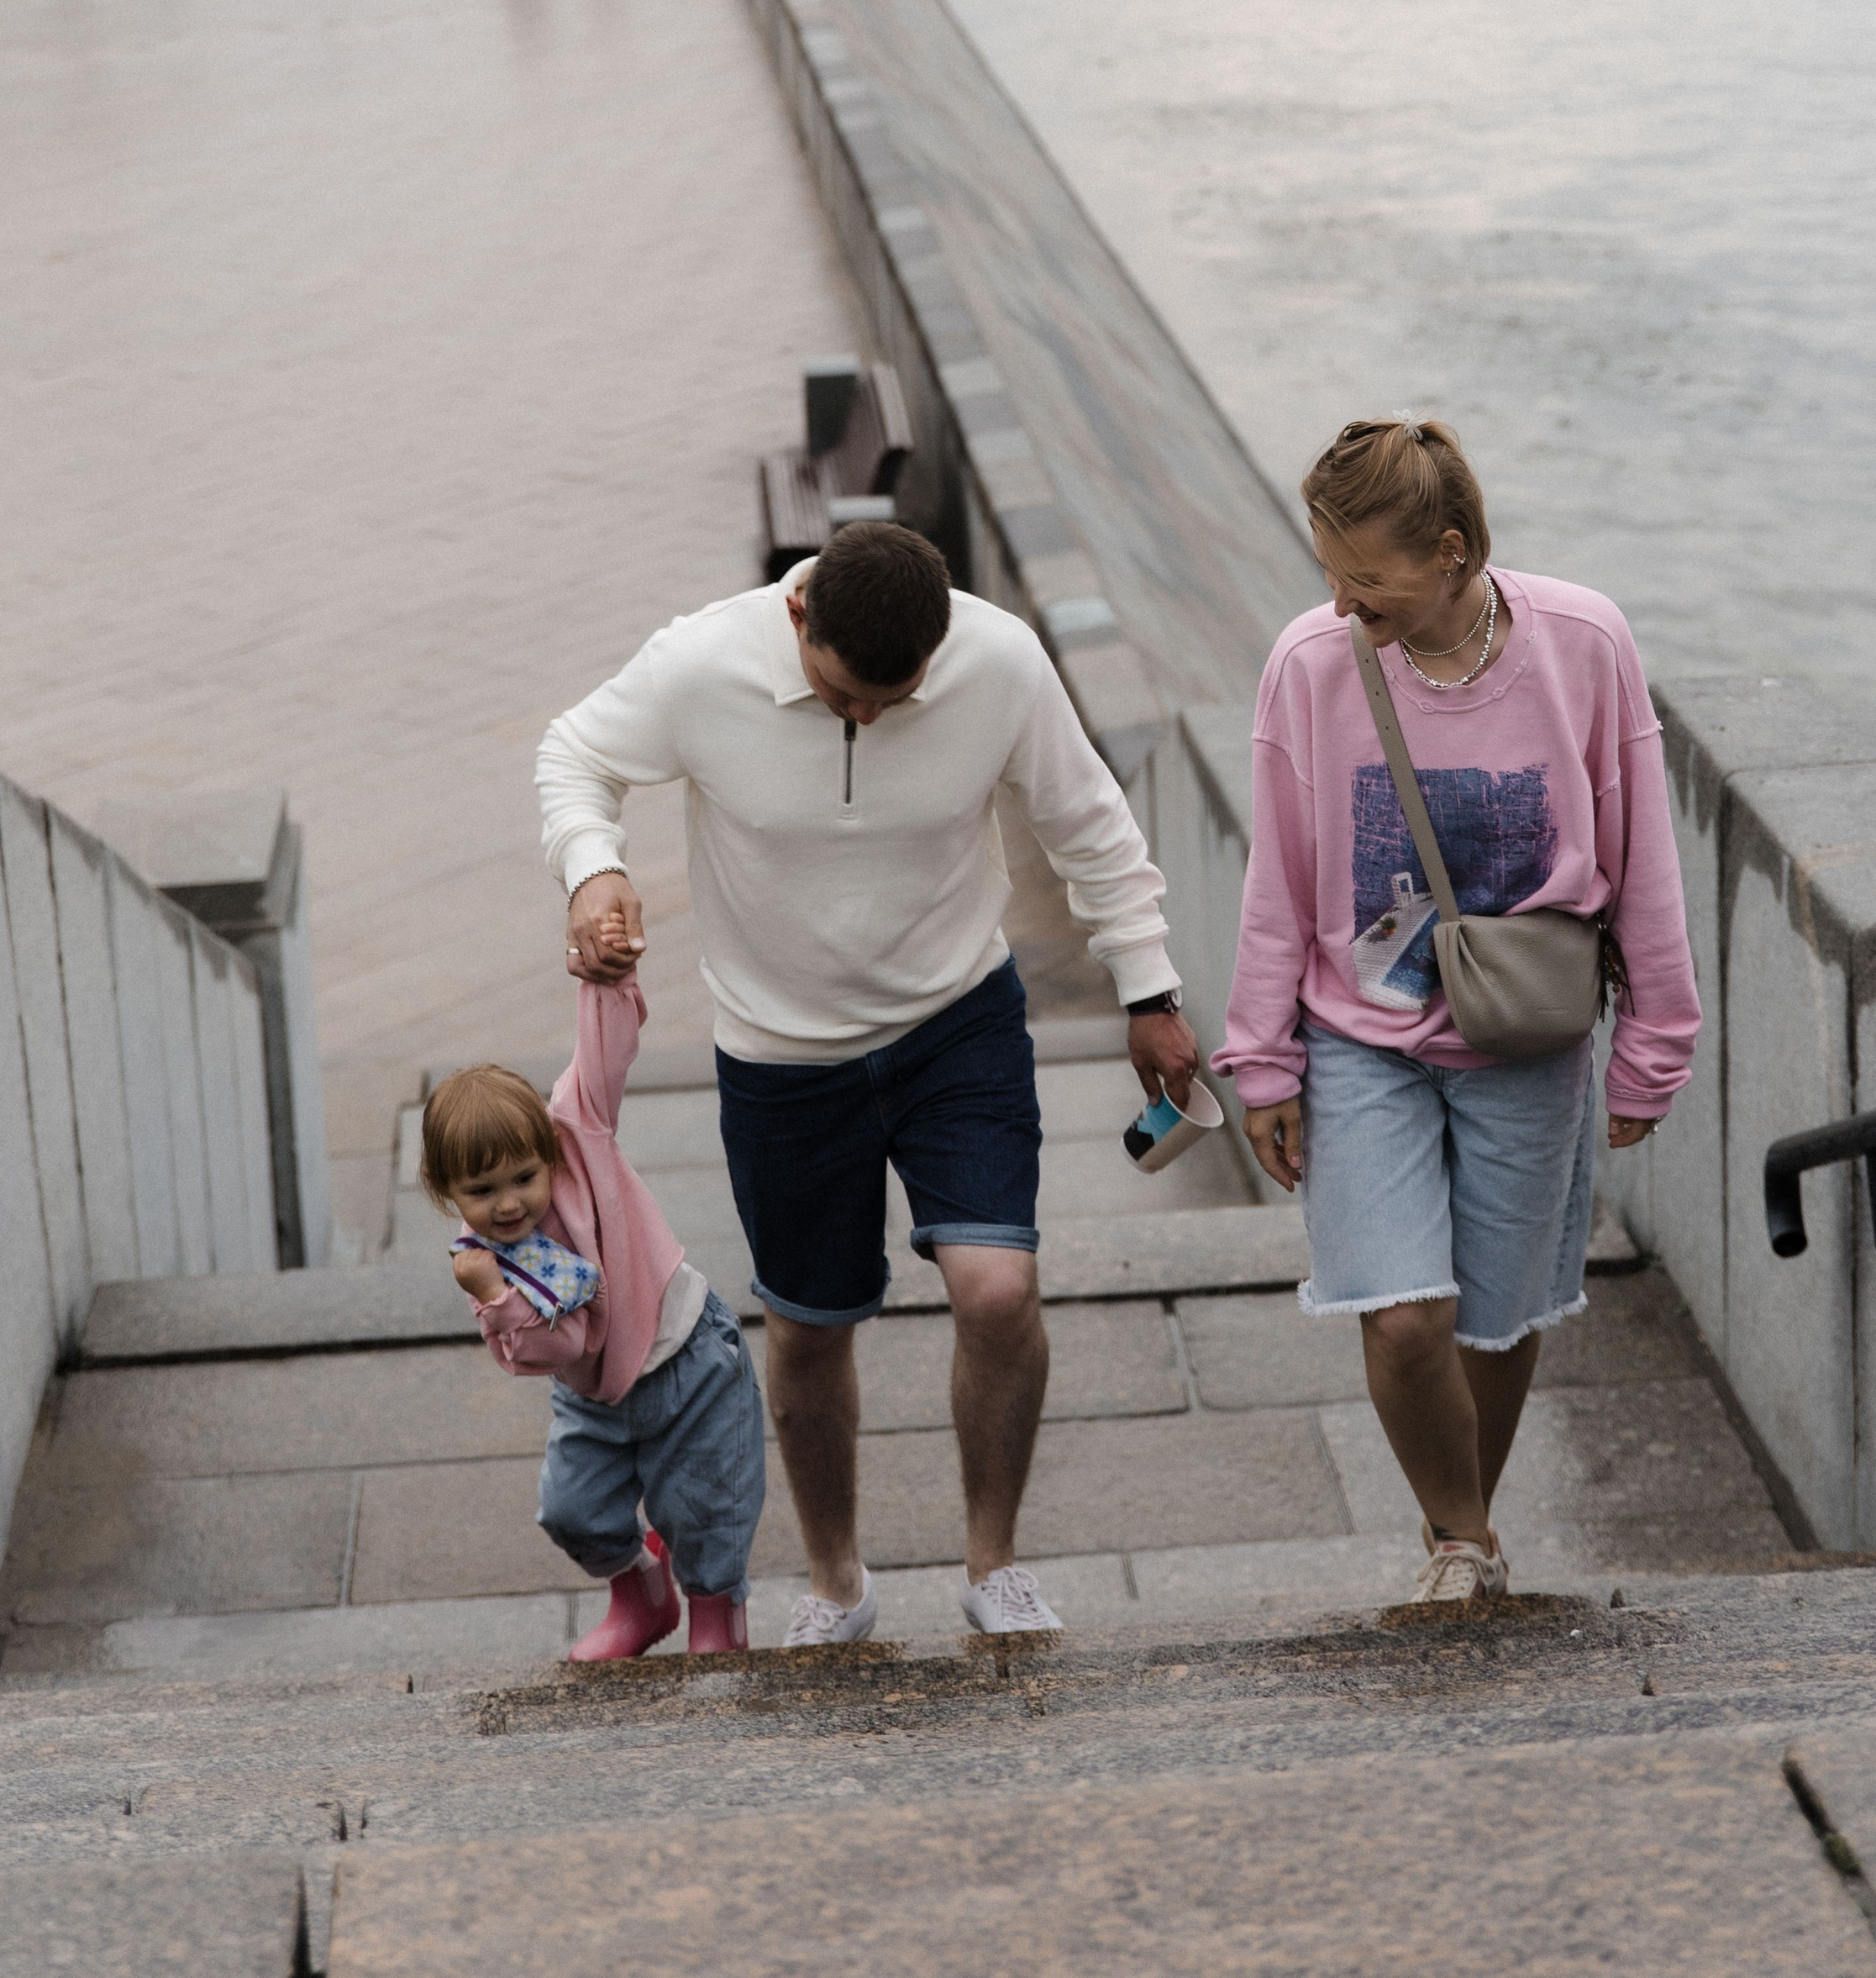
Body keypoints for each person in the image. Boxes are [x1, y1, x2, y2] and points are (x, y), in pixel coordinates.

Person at [535, 519, 1200, 1648]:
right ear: (799, 613)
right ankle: (838, 1580)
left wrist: (1150, 990)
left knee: (998, 1290)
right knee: (807, 1331)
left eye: (896, 699)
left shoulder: (998, 660)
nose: (870, 720)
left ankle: (995, 1564)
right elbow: (574, 754)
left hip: (958, 1024)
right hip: (781, 1056)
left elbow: (1087, 822)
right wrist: (594, 869)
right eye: (848, 697)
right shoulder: (702, 664)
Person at [1216, 417, 1700, 1609]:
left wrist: (1655, 1050)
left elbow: (1644, 861)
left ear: (1450, 549)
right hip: (1357, 1040)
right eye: (1326, 570)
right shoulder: (1313, 663)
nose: (1340, 601)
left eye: (1366, 577)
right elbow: (1278, 875)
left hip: (1526, 1039)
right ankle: (1464, 1540)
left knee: (1498, 1319)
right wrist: (1261, 1064)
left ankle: (1460, 1542)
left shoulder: (1584, 643)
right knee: (1406, 1321)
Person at [423, 960, 765, 1660]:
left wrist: (606, 972)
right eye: (485, 1190)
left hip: (687, 1358)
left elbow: (602, 1052)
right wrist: (492, 1296)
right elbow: (554, 1349)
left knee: (705, 1513)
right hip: (594, 1395)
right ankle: (641, 1595)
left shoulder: (580, 1139)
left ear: (551, 1151)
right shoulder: (481, 1260)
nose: (512, 1202)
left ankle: (715, 1621)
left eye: (525, 1176)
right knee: (571, 1510)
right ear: (447, 1190)